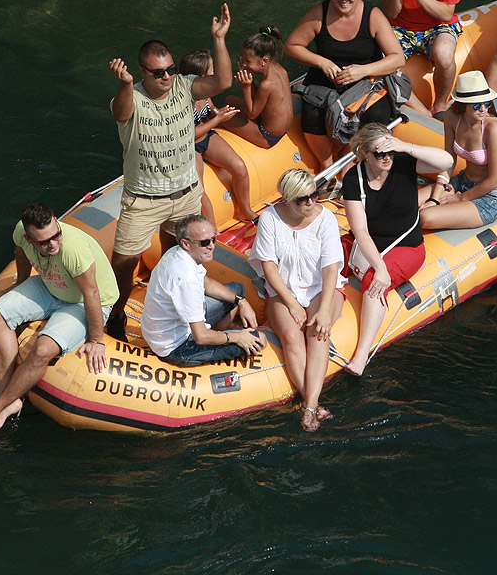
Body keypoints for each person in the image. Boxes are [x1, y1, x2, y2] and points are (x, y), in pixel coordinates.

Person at [106, 3, 235, 340]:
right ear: (142, 72)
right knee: (123, 261)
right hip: (144, 199)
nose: (166, 77)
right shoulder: (131, 98)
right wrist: (124, 84)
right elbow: (121, 111)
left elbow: (223, 80)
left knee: (176, 252)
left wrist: (219, 39)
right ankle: (117, 312)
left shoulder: (185, 87)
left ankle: (174, 306)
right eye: (158, 72)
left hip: (185, 195)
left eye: (170, 69)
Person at [0, 203, 119, 443]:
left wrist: (96, 340)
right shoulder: (20, 234)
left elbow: (92, 294)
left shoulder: (72, 249)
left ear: (57, 222)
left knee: (43, 348)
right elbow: (20, 253)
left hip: (80, 302)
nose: (53, 244)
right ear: (29, 238)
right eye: (44, 242)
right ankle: (8, 398)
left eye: (56, 235)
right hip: (50, 286)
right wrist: (20, 283)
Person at [341, 123, 453, 376]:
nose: (386, 158)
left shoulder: (403, 162)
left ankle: (361, 355)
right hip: (367, 242)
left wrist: (404, 146)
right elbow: (360, 231)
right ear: (365, 154)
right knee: (326, 257)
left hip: (405, 245)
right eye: (379, 153)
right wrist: (379, 264)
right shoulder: (353, 178)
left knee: (374, 282)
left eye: (388, 151)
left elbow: (445, 161)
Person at [285, 0, 409, 170]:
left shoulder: (372, 15)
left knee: (376, 115)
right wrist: (322, 62)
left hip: (365, 80)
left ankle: (350, 158)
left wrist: (362, 70)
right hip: (326, 78)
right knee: (312, 114)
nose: (344, 1)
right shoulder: (319, 14)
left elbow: (398, 58)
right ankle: (327, 165)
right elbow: (291, 47)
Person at [249, 169, 345, 432]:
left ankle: (310, 406)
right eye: (303, 199)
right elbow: (269, 267)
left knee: (317, 332)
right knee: (292, 336)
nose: (311, 203)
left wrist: (324, 310)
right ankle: (312, 405)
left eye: (314, 195)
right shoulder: (269, 218)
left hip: (320, 289)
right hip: (284, 290)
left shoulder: (326, 219)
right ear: (288, 199)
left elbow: (330, 268)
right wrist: (291, 302)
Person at [139, 215, 265, 366]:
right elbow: (201, 336)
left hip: (177, 327)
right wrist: (237, 337)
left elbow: (206, 282)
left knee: (238, 290)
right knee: (259, 338)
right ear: (185, 244)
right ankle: (220, 336)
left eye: (214, 239)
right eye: (204, 242)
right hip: (178, 347)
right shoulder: (186, 280)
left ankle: (218, 332)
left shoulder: (178, 253)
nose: (212, 246)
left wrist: (241, 301)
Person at [381, 0, 463, 116]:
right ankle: (422, 112)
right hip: (402, 27)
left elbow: (445, 14)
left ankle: (440, 105)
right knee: (382, 62)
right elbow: (392, 13)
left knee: (443, 53)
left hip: (438, 26)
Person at [419, 71, 497, 229]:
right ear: (462, 104)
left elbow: (494, 181)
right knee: (408, 204)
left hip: (489, 197)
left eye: (487, 103)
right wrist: (434, 198)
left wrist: (460, 198)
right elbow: (448, 162)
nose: (483, 109)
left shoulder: (492, 127)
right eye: (476, 105)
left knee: (425, 217)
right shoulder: (452, 117)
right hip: (462, 182)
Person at [178, 49, 257, 226]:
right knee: (198, 189)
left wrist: (217, 112)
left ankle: (245, 209)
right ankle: (211, 228)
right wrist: (218, 120)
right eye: (212, 71)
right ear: (202, 77)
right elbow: (188, 136)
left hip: (206, 137)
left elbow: (209, 108)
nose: (215, 74)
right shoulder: (183, 101)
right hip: (189, 147)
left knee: (239, 167)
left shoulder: (204, 92)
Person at [224, 26, 293, 147]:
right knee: (229, 100)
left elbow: (252, 114)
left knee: (222, 116)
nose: (243, 64)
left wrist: (246, 87)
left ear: (264, 61)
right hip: (281, 127)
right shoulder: (279, 69)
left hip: (268, 136)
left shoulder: (267, 84)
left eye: (248, 61)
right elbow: (261, 98)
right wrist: (249, 76)